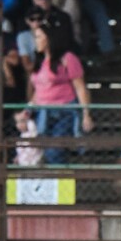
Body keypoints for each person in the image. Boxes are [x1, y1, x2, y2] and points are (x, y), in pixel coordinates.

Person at [29, 12, 92, 164]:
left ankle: (59, 181)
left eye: (39, 37)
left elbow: (80, 87)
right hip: (43, 112)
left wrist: (86, 113)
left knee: (54, 151)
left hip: (64, 111)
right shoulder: (39, 62)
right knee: (43, 151)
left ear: (48, 38)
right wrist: (29, 108)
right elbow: (38, 90)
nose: (36, 41)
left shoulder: (67, 58)